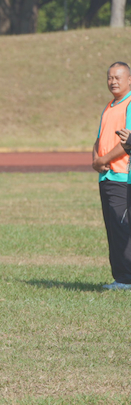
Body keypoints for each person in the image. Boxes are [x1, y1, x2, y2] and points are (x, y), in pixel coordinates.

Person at [90, 61, 131, 290]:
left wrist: (103, 160)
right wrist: (95, 159)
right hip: (107, 177)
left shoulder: (130, 104)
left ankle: (126, 279)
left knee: (123, 227)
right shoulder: (110, 106)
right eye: (110, 78)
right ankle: (120, 277)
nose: (113, 82)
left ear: (129, 80)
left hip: (123, 176)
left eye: (117, 77)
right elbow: (100, 138)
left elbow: (128, 143)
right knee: (113, 228)